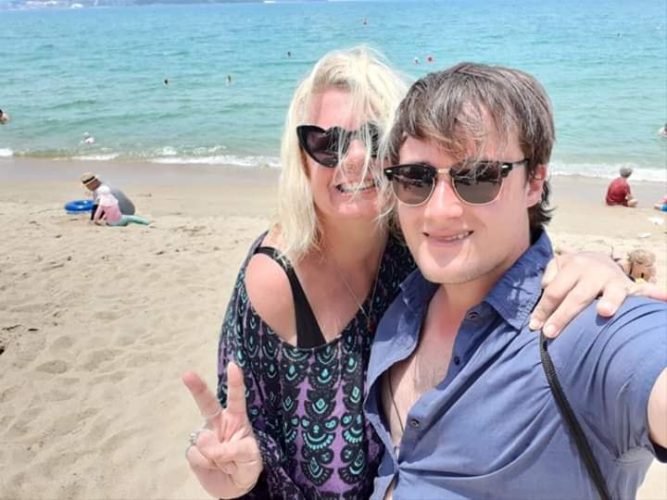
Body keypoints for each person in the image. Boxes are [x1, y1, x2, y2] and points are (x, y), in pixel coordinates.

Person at [181, 48, 663, 500]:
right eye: (327, 142)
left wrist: (606, 268)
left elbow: (633, 357)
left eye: (477, 177)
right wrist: (236, 474)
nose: (440, 210)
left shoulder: (437, 261)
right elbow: (241, 427)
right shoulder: (315, 280)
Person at [367, 62, 666, 499]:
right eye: (416, 179)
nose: (439, 210)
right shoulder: (398, 303)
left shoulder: (584, 327)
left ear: (535, 182)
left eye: (478, 177)